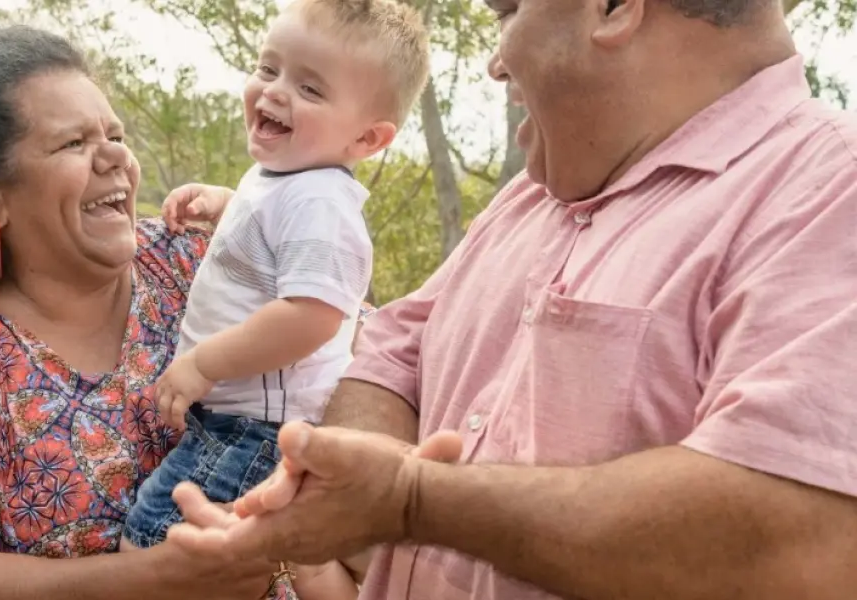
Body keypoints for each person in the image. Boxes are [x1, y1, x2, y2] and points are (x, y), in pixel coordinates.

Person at [164, 0, 857, 599]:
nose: (497, 64)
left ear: (614, 8)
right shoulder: (531, 193)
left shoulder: (827, 189)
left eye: (508, 15)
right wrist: (357, 509)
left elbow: (799, 538)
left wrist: (412, 503)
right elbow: (390, 358)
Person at [0, 25, 326, 600]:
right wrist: (149, 580)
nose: (116, 155)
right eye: (73, 144)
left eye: (115, 135)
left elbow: (361, 348)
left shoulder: (197, 261)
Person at [122, 1, 429, 597]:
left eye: (309, 87)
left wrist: (205, 364)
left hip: (259, 428)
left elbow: (311, 317)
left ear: (367, 137)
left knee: (155, 541)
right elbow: (272, 243)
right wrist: (224, 205)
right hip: (243, 420)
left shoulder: (321, 202)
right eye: (269, 69)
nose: (275, 91)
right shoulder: (290, 177)